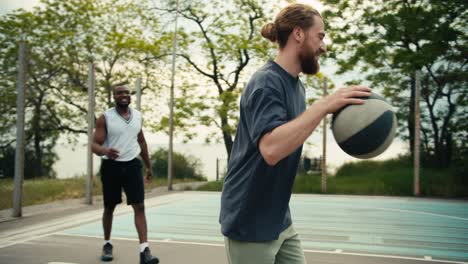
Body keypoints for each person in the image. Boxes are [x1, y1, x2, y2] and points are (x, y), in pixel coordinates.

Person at [219, 3, 371, 264]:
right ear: (298, 34)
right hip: (250, 220)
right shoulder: (266, 81)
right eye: (320, 36)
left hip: (279, 217)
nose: (324, 46)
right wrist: (324, 105)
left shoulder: (297, 87)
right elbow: (271, 149)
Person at [92, 85, 159, 264]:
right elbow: (94, 145)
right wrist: (105, 150)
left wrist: (148, 166)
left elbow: (142, 141)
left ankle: (144, 251)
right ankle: (107, 244)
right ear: (113, 96)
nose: (123, 95)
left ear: (130, 96)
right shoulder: (105, 118)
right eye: (119, 93)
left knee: (140, 206)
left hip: (132, 166)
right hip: (111, 167)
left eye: (126, 93)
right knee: (109, 207)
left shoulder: (137, 116)